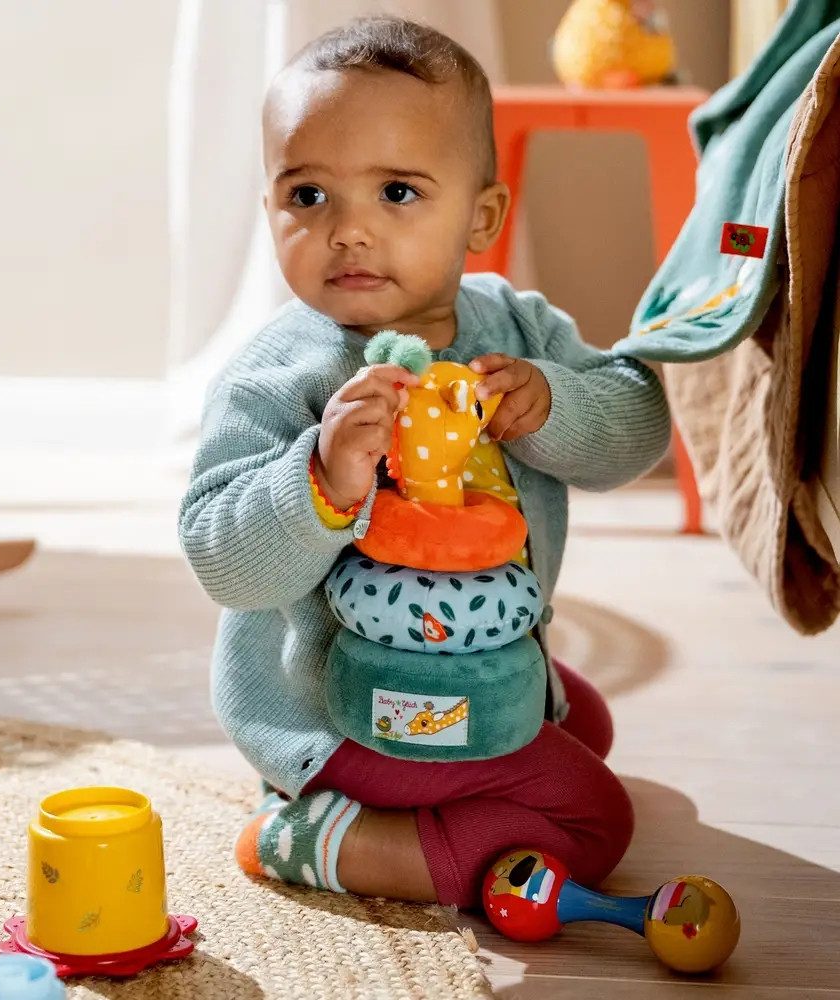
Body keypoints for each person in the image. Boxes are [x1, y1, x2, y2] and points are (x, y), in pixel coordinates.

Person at [178, 15, 670, 909]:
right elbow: (220, 557)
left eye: (397, 192)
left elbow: (638, 427)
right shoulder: (281, 373)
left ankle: (376, 807)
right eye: (309, 196)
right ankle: (328, 838)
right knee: (597, 822)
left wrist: (552, 405)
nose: (349, 232)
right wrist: (320, 480)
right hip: (333, 704)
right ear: (270, 208)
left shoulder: (517, 329)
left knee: (581, 715)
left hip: (464, 660)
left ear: (481, 215)